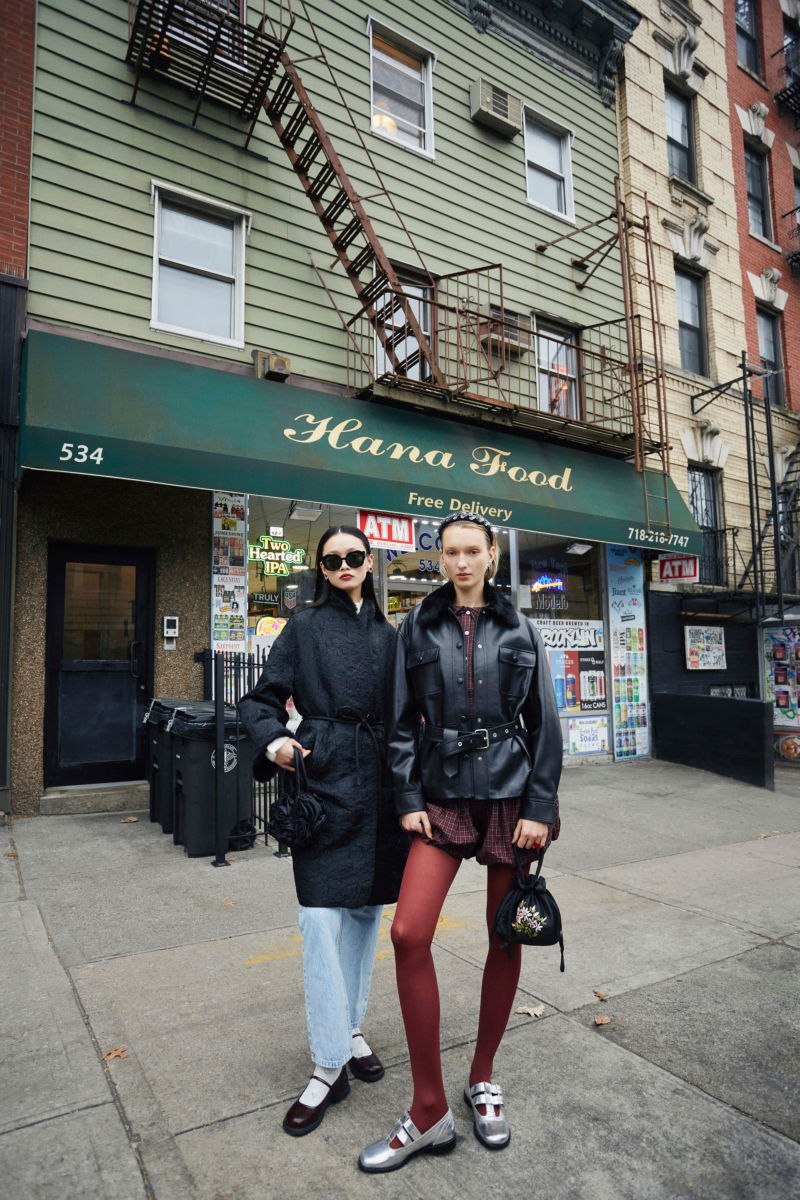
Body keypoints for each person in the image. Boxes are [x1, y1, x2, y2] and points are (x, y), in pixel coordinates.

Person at [359, 511, 562, 1173]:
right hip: (442, 796)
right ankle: (427, 1110)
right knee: (409, 933)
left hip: (510, 798)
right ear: (440, 557)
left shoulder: (520, 626)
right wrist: (408, 799)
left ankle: (482, 1078)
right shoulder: (417, 626)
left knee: (505, 935)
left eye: (473, 551)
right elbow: (397, 723)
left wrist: (541, 805)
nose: (462, 562)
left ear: (491, 556)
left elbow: (545, 724)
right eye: (451, 552)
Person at [238, 525, 407, 1137]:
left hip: (381, 785)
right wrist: (276, 740)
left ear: (368, 564)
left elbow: (411, 716)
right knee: (318, 917)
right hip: (322, 778)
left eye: (354, 558)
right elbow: (259, 700)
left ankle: (351, 1030)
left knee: (364, 917)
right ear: (321, 567)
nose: (343, 566)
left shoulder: (392, 636)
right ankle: (326, 1062)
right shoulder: (304, 627)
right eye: (332, 559)